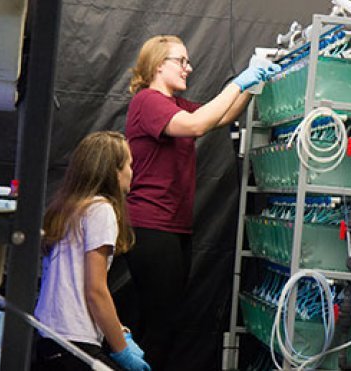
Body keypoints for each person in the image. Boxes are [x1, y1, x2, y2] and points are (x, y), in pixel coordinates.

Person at [119, 34, 274, 369]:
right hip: (150, 226)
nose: (189, 68)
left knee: (165, 319)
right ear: (159, 65)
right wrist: (242, 80)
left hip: (173, 226)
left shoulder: (173, 105)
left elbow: (221, 115)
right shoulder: (147, 101)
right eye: (181, 61)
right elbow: (199, 124)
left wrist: (250, 84)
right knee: (160, 322)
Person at [34, 131, 151, 371]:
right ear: (113, 171)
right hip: (75, 343)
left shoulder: (67, 209)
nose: (132, 171)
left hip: (49, 339)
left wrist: (119, 332)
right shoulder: (101, 210)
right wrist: (122, 351)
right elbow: (95, 291)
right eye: (129, 164)